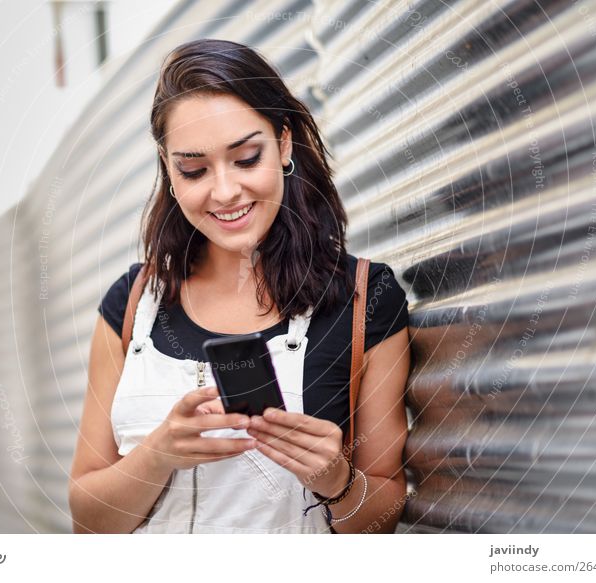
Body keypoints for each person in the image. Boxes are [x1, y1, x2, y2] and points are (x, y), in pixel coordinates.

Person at [68, 38, 411, 534]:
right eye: (193, 169)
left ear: (285, 143)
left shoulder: (363, 299)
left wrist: (336, 479)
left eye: (247, 158)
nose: (225, 191)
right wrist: (159, 453)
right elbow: (88, 520)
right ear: (168, 168)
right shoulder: (131, 304)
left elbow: (384, 517)